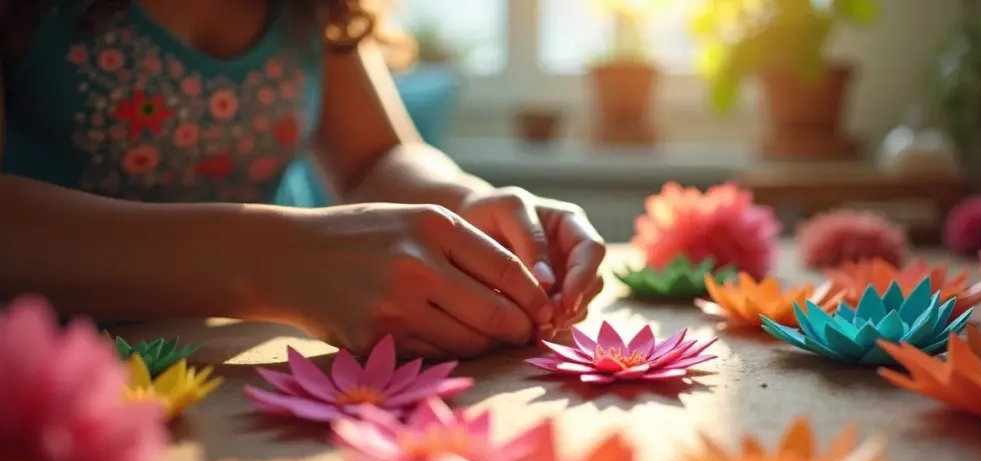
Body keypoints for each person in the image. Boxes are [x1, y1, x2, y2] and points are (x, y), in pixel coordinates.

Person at [0, 0, 606, 359]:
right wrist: (275, 261)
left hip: (231, 360)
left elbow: (376, 157)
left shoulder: (311, 8)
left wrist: (466, 203)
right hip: (41, 372)